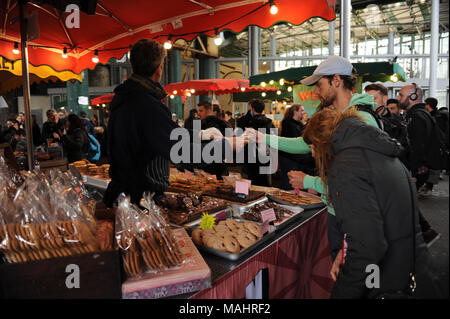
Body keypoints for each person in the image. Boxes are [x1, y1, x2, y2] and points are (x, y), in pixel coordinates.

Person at [299, 107, 441, 299]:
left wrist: (342, 292)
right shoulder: (375, 151)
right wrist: (348, 248)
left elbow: (369, 248)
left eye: (312, 148)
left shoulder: (346, 166)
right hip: (414, 269)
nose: (314, 155)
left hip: (390, 282)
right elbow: (377, 219)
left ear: (322, 143)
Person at [103, 39, 240, 207]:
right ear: (159, 68)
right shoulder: (146, 105)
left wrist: (200, 134)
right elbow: (183, 153)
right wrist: (227, 145)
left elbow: (164, 133)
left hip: (122, 193)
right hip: (138, 200)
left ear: (133, 66)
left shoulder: (124, 98)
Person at [397, 83, 441, 245]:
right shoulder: (419, 114)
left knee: (402, 202)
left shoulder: (417, 117)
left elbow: (417, 148)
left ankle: (424, 233)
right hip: (418, 170)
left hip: (416, 170)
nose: (398, 98)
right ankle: (425, 232)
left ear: (413, 97)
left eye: (401, 95)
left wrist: (413, 174)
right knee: (404, 202)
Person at [279, 104, 314, 190]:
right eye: (301, 110)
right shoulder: (288, 124)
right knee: (289, 182)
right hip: (289, 158)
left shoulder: (299, 124)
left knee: (295, 184)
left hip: (296, 158)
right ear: (295, 112)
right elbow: (293, 142)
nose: (303, 112)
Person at [240, 99, 275, 186]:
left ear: (252, 109)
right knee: (263, 178)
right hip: (265, 154)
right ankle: (264, 196)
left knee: (250, 179)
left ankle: (248, 197)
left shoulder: (247, 122)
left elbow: (241, 138)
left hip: (250, 154)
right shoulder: (269, 122)